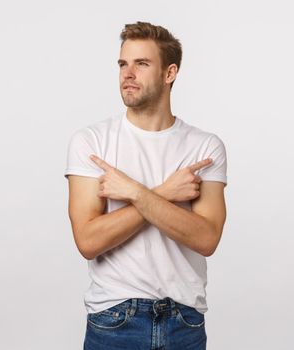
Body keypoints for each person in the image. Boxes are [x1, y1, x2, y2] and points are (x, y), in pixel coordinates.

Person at [64, 21, 228, 350]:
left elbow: (207, 238)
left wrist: (135, 192)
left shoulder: (205, 147)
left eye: (141, 64)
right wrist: (166, 193)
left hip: (184, 319)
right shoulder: (92, 142)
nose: (128, 73)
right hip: (114, 318)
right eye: (123, 64)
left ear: (170, 73)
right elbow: (88, 240)